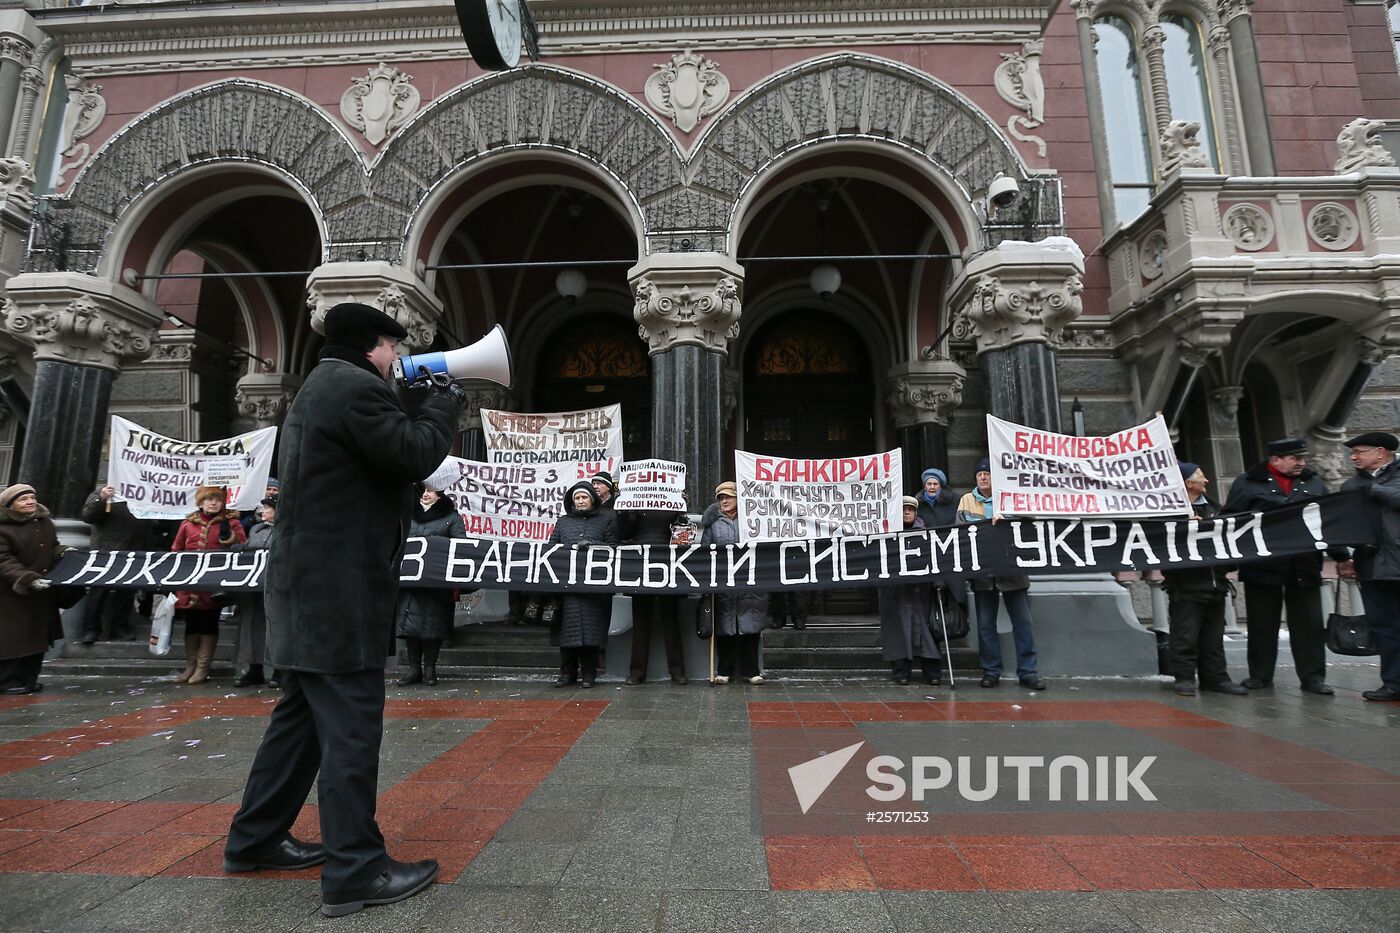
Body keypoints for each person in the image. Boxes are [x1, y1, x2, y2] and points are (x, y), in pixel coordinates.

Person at [224, 302, 464, 918]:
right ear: (372, 347)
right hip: (338, 593)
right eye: (394, 348)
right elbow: (412, 455)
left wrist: (410, 403)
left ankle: (256, 838)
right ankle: (357, 870)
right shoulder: (355, 388)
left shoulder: (324, 386)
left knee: (299, 724)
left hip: (308, 587)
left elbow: (376, 457)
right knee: (352, 729)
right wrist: (442, 405)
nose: (398, 360)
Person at [1222, 438, 1334, 695]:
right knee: (1262, 624)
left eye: (1303, 458)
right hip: (1262, 565)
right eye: (1295, 458)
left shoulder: (1314, 482)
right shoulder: (1248, 483)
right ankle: (1260, 675)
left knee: (1309, 625)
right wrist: (1228, 558)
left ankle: (1313, 677)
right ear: (1275, 460)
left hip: (1304, 564)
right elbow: (1231, 519)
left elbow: (1328, 520)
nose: (1301, 463)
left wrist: (1341, 557)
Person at [957, 460, 1047, 691]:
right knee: (986, 625)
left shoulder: (1010, 497)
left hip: (1012, 573)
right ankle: (991, 672)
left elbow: (1031, 521)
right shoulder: (966, 500)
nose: (983, 477)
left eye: (987, 473)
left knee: (1023, 623)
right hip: (983, 576)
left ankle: (1028, 672)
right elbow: (960, 532)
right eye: (979, 474)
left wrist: (1008, 516)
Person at [1163, 464, 1247, 697]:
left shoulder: (1216, 509)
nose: (1206, 480)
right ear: (1188, 483)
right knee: (1185, 635)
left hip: (1216, 583)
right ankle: (1184, 678)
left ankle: (1215, 678)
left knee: (1214, 638)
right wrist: (1183, 528)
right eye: (1200, 475)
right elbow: (1159, 542)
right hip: (1186, 584)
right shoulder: (1170, 512)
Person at [1338, 432, 1400, 701]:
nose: (1353, 457)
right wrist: (1344, 556)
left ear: (1381, 452)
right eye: (1352, 453)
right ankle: (1393, 684)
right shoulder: (1352, 485)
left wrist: (1376, 490)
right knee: (1385, 627)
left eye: (1359, 452)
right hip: (1373, 567)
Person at [170, 485, 247, 685]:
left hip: (214, 582)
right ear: (201, 502)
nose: (213, 503)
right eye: (209, 499)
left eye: (218, 499)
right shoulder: (187, 524)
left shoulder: (231, 522)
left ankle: (203, 668)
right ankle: (190, 666)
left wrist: (228, 537)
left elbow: (242, 548)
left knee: (208, 623)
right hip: (190, 582)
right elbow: (176, 550)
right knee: (191, 625)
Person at [547, 481, 619, 688]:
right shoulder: (563, 522)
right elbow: (551, 549)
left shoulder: (605, 521)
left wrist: (594, 546)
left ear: (592, 500)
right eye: (577, 498)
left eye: (584, 497)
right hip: (567, 586)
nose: (580, 501)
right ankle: (566, 674)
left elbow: (614, 548)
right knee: (566, 633)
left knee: (591, 633)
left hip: (594, 588)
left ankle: (589, 674)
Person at [395, 486, 467, 687]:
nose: (425, 494)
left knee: (432, 625)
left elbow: (460, 545)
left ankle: (429, 669)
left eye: (431, 491)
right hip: (411, 581)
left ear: (440, 496)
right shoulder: (408, 515)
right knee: (411, 625)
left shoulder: (452, 518)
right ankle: (413, 668)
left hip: (436, 583)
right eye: (423, 491)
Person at [700, 481, 769, 685]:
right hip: (724, 582)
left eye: (728, 497)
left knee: (751, 627)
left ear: (739, 498)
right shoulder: (713, 524)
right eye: (721, 498)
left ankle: (751, 671)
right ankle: (724, 671)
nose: (724, 501)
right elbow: (705, 551)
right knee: (725, 627)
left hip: (750, 581)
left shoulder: (753, 520)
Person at [0, 485, 62, 695]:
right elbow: (3, 560)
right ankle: (8, 682)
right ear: (10, 505)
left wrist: (64, 552)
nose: (30, 502)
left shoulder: (43, 522)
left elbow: (53, 546)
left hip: (41, 593)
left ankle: (29, 679)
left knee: (36, 638)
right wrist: (27, 579)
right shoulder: (3, 527)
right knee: (12, 639)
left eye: (32, 497)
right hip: (11, 594)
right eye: (23, 499)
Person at [618, 502, 689, 685]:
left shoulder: (673, 502)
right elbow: (623, 533)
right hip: (641, 564)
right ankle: (637, 672)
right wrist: (625, 511)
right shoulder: (633, 504)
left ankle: (677, 671)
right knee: (641, 622)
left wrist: (681, 510)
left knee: (671, 621)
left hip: (668, 564)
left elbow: (683, 533)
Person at [878, 496, 941, 685]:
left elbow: (937, 557)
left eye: (910, 509)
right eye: (903, 509)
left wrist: (939, 582)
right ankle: (901, 672)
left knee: (925, 631)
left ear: (915, 512)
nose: (907, 513)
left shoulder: (926, 533)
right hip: (895, 592)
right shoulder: (886, 534)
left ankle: (932, 673)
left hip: (921, 592)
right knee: (898, 632)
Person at [79, 483, 153, 643]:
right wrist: (102, 499)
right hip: (105, 551)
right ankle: (91, 629)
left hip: (133, 550)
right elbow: (88, 516)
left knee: (126, 592)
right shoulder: (104, 491)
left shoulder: (144, 492)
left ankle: (119, 627)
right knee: (98, 592)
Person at [230, 495, 277, 688]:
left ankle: (279, 671)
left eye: (268, 508)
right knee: (251, 628)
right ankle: (254, 669)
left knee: (274, 628)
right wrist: (241, 549)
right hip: (252, 589)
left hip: (274, 587)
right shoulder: (256, 529)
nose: (263, 511)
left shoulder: (285, 530)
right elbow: (251, 548)